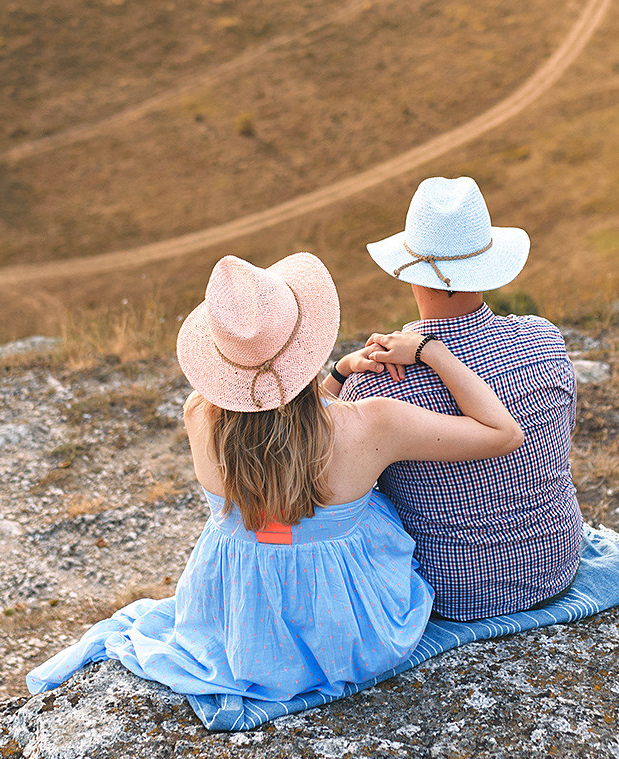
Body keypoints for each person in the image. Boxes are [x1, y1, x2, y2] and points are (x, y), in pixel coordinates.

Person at [33, 251, 525, 702]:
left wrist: (337, 376)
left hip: (236, 628)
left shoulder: (197, 417)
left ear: (222, 364)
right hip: (351, 632)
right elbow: (502, 433)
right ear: (307, 342)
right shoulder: (373, 424)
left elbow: (278, 441)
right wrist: (432, 352)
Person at [321, 176, 586, 621]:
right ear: (486, 265)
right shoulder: (545, 339)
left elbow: (326, 480)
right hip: (559, 564)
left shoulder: (374, 384)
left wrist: (339, 373)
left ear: (409, 273)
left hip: (454, 592)